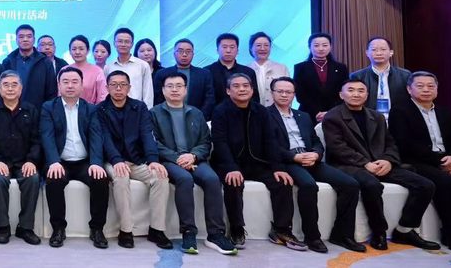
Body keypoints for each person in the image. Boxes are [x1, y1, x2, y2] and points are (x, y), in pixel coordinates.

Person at [322, 78, 439, 251]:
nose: (356, 94)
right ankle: (379, 232)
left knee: (425, 185)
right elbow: (337, 147)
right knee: (372, 185)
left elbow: (390, 142)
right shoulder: (333, 116)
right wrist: (365, 163)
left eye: (361, 91)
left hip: (380, 163)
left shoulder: (376, 116)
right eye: (351, 90)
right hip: (349, 165)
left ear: (367, 95)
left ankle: (404, 230)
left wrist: (388, 160)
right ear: (341, 94)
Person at [388, 72, 451, 254]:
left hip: (448, 160)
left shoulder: (444, 111)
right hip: (418, 162)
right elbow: (405, 144)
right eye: (420, 86)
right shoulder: (399, 111)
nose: (426, 90)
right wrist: (441, 161)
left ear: (436, 89)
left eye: (431, 86)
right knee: (446, 182)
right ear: (409, 89)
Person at [265, 77, 363, 253]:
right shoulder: (264, 115)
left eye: (288, 92)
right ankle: (312, 236)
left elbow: (316, 141)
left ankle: (342, 234)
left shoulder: (303, 116)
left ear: (294, 95)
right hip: (288, 161)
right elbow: (268, 145)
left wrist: (316, 154)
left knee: (350, 184)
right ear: (272, 93)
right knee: (309, 185)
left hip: (310, 158)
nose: (284, 95)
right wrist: (294, 157)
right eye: (280, 91)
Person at [211, 73, 302, 250]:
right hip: (229, 163)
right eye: (236, 86)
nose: (242, 89)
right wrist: (231, 167)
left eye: (246, 86)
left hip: (258, 162)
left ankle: (282, 229)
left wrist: (278, 167)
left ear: (252, 90)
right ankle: (237, 229)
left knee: (282, 182)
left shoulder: (261, 111)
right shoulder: (220, 111)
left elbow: (270, 140)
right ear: (228, 91)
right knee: (233, 182)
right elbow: (220, 143)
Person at [151, 72, 237, 255]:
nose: (174, 90)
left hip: (194, 159)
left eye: (179, 86)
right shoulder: (154, 113)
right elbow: (154, 143)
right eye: (170, 86)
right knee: (184, 179)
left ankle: (216, 234)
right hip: (169, 160)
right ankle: (188, 232)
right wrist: (178, 158)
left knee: (212, 179)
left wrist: (193, 156)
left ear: (185, 90)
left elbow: (205, 141)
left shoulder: (196, 113)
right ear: (163, 90)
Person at [35, 67, 107, 249]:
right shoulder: (48, 107)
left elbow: (96, 137)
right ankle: (58, 229)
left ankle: (97, 229)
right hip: (60, 161)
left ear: (82, 85)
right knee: (54, 179)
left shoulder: (90, 109)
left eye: (75, 82)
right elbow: (47, 136)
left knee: (100, 179)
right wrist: (53, 161)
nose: (70, 86)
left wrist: (96, 163)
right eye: (65, 82)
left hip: (84, 162)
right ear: (59, 85)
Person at [98, 70, 169, 249]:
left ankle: (157, 229)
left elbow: (147, 134)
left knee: (160, 176)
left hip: (137, 160)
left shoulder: (140, 107)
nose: (118, 88)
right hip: (113, 160)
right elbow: (105, 138)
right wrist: (116, 160)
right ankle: (126, 230)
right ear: (107, 87)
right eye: (114, 85)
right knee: (121, 178)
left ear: (129, 88)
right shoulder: (100, 109)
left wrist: (153, 160)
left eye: (123, 85)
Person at [0, 70, 42, 245]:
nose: (10, 89)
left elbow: (37, 140)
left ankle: (25, 227)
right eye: (6, 85)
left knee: (33, 178)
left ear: (21, 88)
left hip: (24, 162)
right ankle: (3, 226)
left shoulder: (31, 110)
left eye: (14, 85)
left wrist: (31, 161)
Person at [350, 37, 412, 120]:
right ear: (367, 53)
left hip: (398, 120)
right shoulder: (358, 76)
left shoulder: (405, 75)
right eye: (374, 50)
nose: (379, 53)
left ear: (391, 52)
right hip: (368, 120)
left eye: (383, 49)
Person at [293, 33, 349, 122]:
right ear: (309, 47)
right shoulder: (300, 68)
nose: (321, 48)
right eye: (316, 45)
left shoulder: (340, 68)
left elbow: (344, 91)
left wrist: (329, 112)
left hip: (336, 113)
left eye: (325, 45)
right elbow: (300, 93)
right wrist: (316, 112)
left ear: (330, 46)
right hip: (308, 113)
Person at [154, 39, 216, 117]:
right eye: (180, 51)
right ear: (174, 54)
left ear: (193, 54)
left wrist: (199, 117)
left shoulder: (204, 74)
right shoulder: (161, 73)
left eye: (188, 51)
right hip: (167, 118)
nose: (184, 54)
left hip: (197, 118)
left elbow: (209, 99)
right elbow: (158, 99)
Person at [2, 24, 58, 108]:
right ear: (16, 40)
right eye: (21, 37)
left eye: (29, 36)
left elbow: (51, 91)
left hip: (38, 112)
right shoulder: (8, 61)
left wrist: (46, 112)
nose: (25, 39)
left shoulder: (45, 62)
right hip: (11, 111)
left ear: (34, 40)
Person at [103, 28, 154, 105]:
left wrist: (146, 110)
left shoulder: (143, 65)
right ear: (114, 43)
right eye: (120, 41)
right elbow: (106, 91)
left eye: (127, 42)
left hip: (137, 109)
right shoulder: (108, 67)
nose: (123, 44)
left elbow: (148, 93)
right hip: (113, 109)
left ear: (132, 44)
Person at [205, 33, 258, 107]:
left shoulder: (248, 72)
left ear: (237, 51)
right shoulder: (206, 71)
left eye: (232, 47)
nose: (228, 50)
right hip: (215, 113)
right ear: (217, 50)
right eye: (224, 47)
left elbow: (255, 98)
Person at [246, 32, 290, 107]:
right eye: (258, 45)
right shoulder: (245, 70)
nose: (263, 48)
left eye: (266, 45)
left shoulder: (282, 68)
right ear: (251, 48)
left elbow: (288, 92)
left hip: (277, 111)